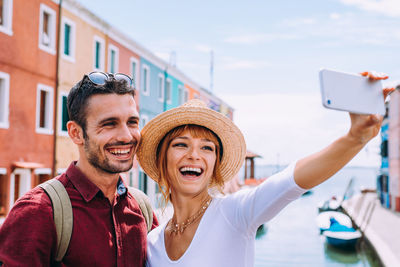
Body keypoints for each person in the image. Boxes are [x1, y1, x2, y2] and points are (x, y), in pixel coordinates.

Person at [136, 71, 392, 267]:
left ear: (215, 165)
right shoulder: (152, 243)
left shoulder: (234, 213)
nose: (194, 155)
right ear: (163, 159)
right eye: (181, 144)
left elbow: (291, 181)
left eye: (207, 148)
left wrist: (354, 138)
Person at [0, 72, 158, 266]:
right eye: (109, 124)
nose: (127, 136)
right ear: (76, 133)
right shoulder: (38, 211)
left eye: (132, 122)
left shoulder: (142, 208)